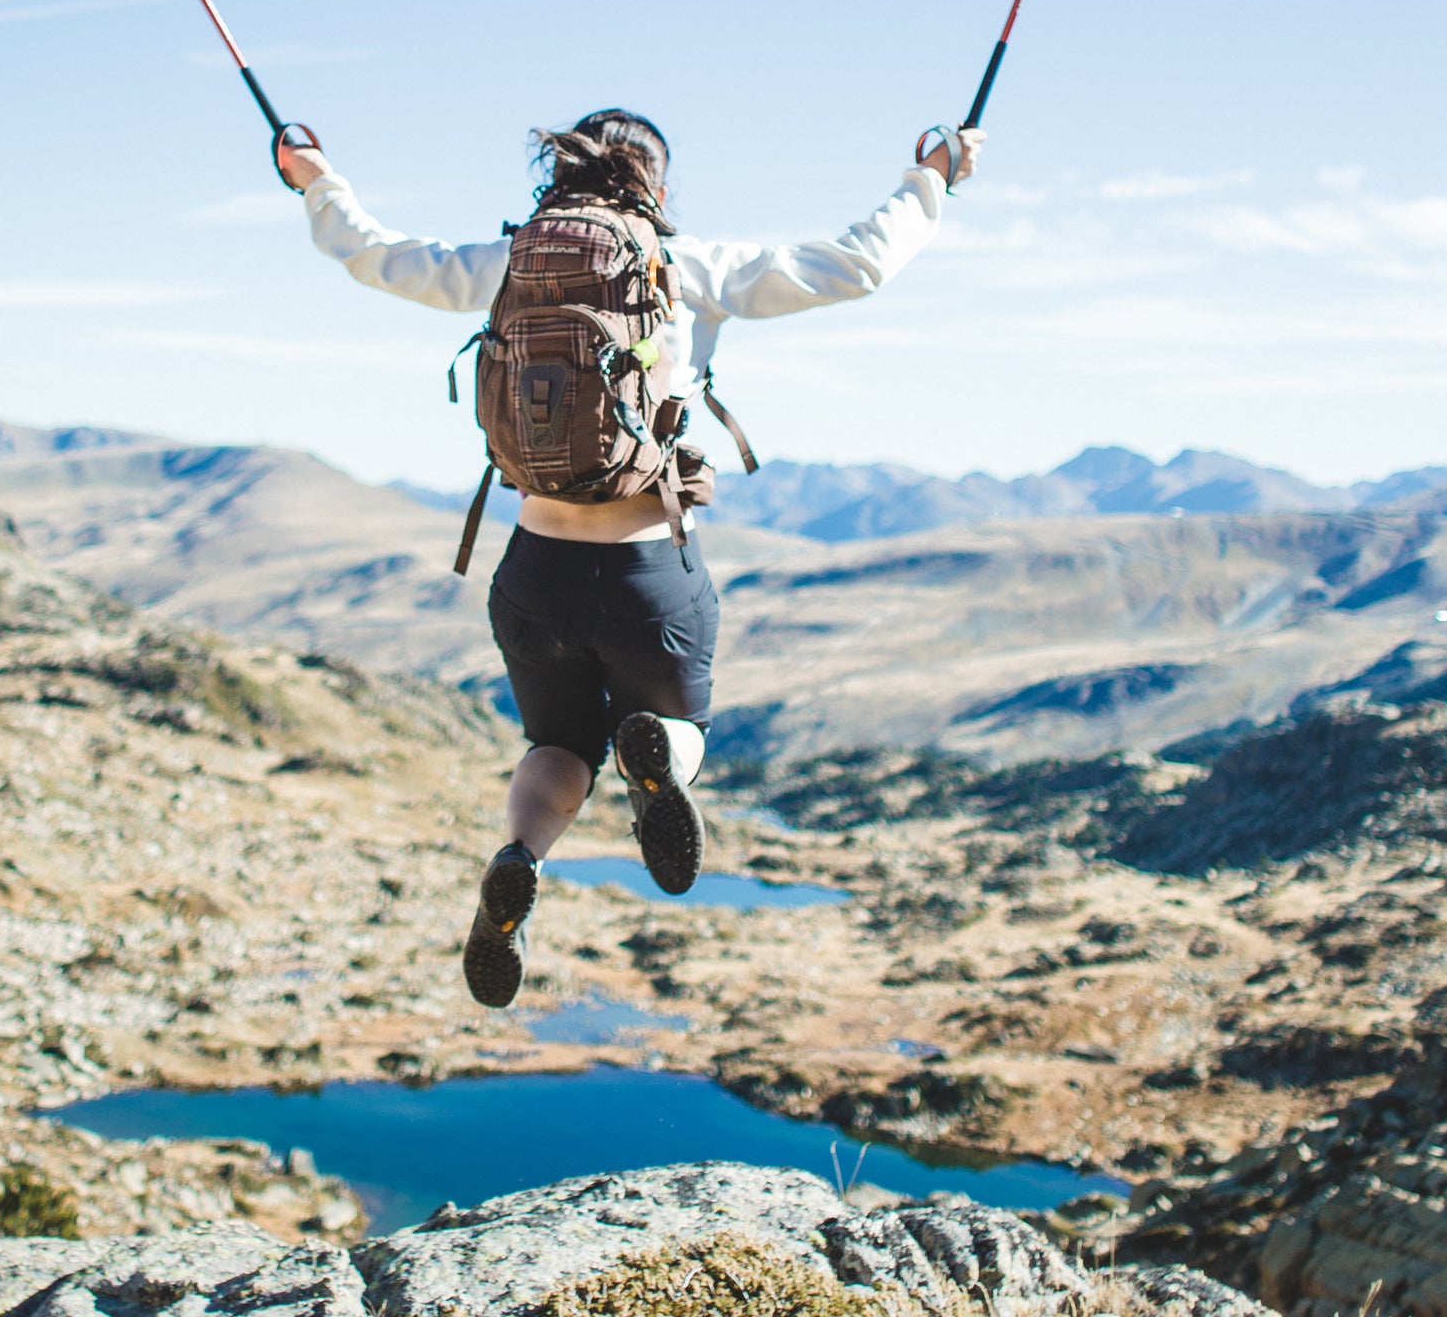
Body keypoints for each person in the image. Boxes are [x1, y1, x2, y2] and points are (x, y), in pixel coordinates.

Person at [278, 111, 981, 1006]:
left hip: (532, 573)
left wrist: (313, 180)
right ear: (653, 184)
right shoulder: (690, 268)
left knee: (556, 744)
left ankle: (521, 857)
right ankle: (658, 762)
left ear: (558, 177)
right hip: (650, 571)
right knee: (678, 724)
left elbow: (371, 252)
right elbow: (858, 263)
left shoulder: (507, 264)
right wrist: (933, 180)